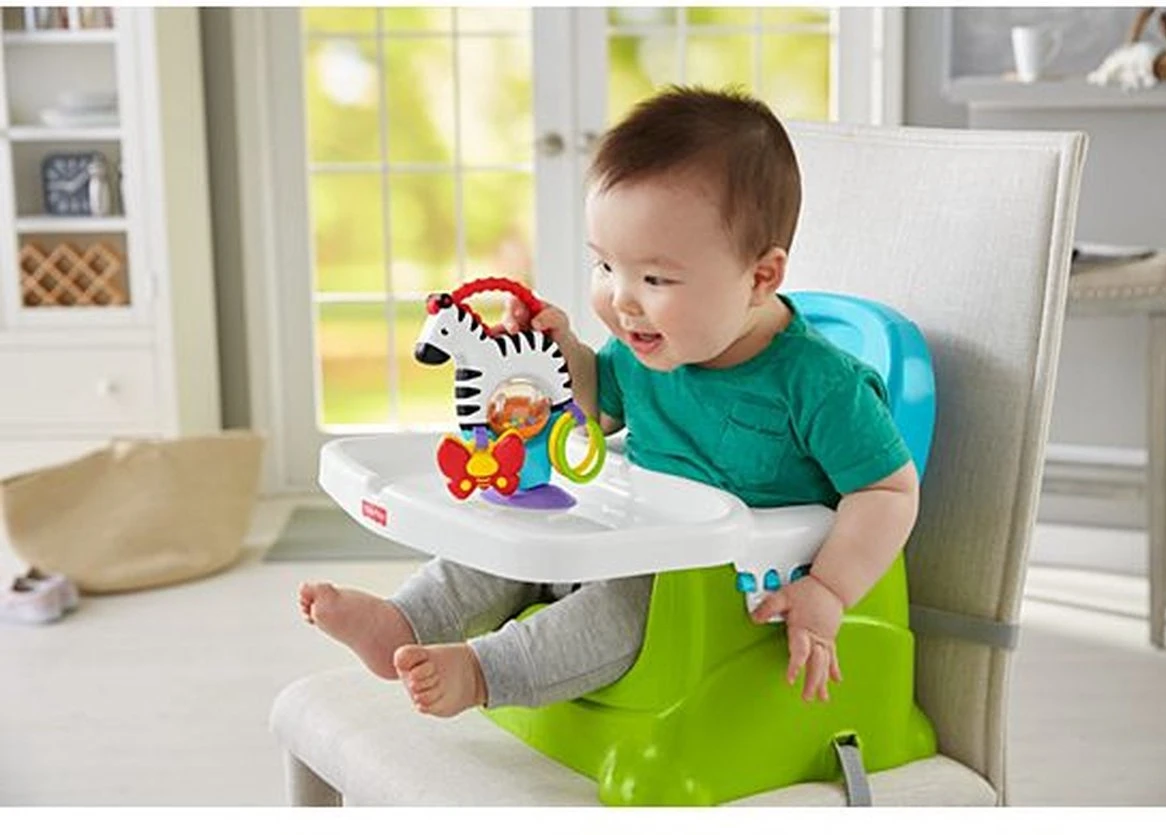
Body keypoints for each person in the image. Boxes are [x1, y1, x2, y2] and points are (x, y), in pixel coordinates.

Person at [299, 85, 919, 718]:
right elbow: (594, 412)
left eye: (655, 278)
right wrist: (559, 352)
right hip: (627, 532)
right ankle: (406, 619)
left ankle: (485, 672)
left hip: (724, 585)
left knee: (624, 605)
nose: (622, 300)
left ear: (760, 277)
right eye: (604, 267)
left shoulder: (823, 386)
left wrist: (828, 590)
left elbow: (888, 491)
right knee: (520, 532)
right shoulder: (653, 347)